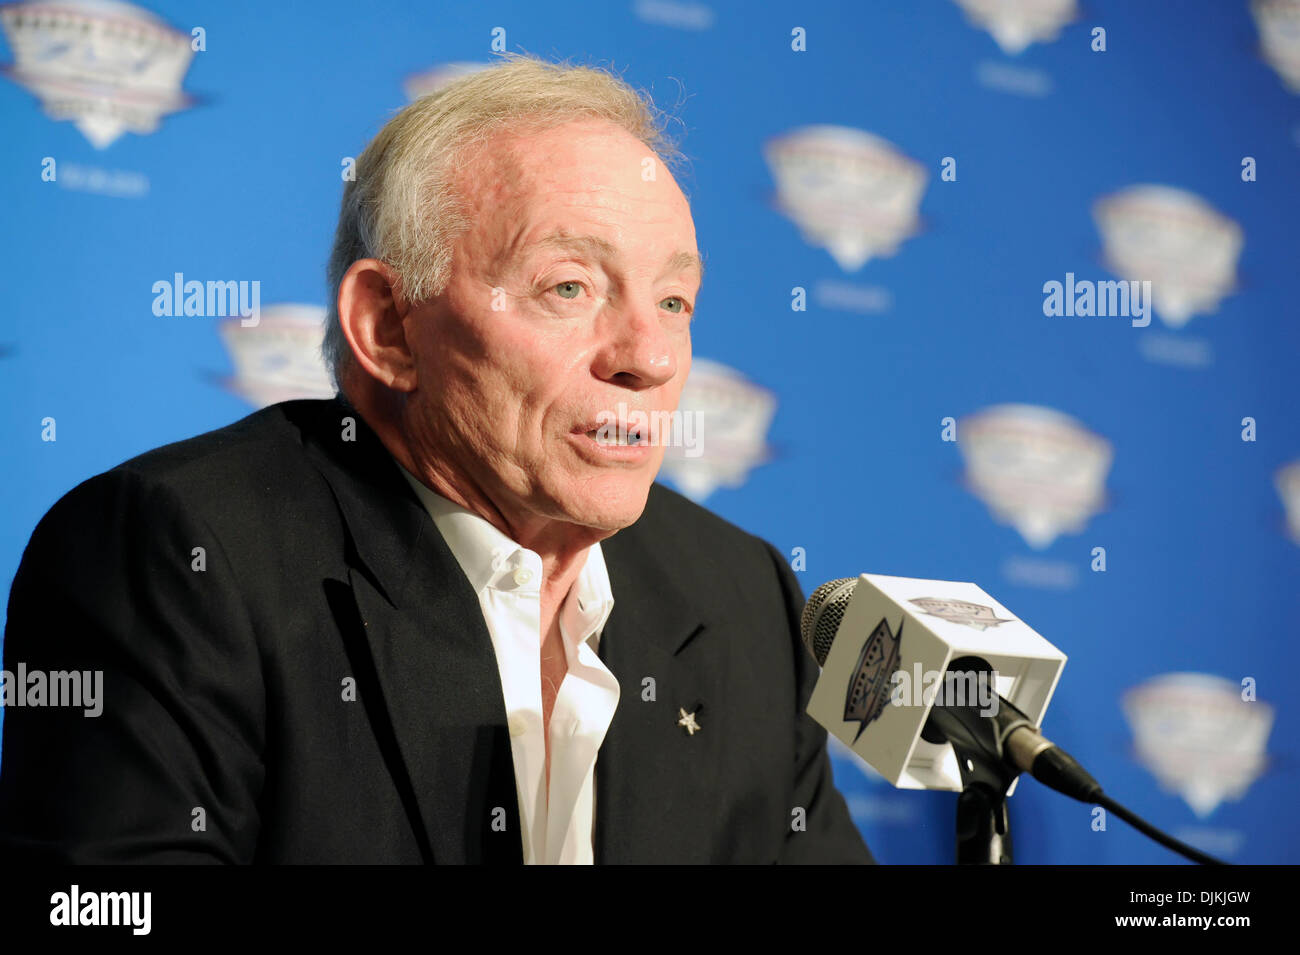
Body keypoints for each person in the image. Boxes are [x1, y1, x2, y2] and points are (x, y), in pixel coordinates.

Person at [0, 54, 873, 864]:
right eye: (569, 286)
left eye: (675, 298)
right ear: (388, 327)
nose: (648, 355)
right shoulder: (177, 555)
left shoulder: (742, 598)